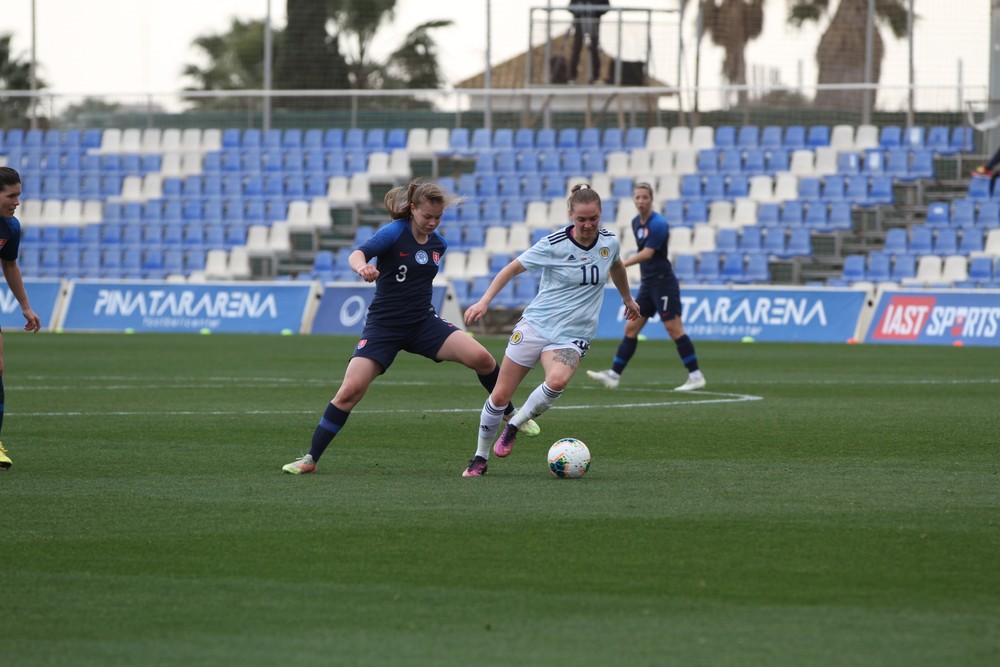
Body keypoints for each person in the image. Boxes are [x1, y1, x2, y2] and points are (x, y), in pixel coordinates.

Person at [282, 180, 539, 475]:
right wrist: (362, 267)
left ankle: (508, 412)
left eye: (438, 217)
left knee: (482, 359)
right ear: (413, 209)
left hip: (422, 323)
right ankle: (310, 458)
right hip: (384, 327)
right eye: (427, 216)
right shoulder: (394, 232)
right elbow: (357, 253)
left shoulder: (438, 245)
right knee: (349, 391)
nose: (432, 223)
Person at [461, 184, 640, 477]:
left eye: (593, 218)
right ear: (571, 215)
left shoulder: (610, 243)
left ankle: (515, 425)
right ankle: (479, 458)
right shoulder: (553, 244)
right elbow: (511, 269)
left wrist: (627, 298)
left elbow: (617, 267)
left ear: (600, 215)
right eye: (581, 219)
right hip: (536, 326)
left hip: (573, 334)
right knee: (500, 395)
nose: (587, 224)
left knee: (557, 381)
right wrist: (484, 301)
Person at [585, 181, 706, 392]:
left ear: (651, 199)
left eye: (645, 197)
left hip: (663, 283)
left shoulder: (658, 224)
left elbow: (648, 253)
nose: (641, 201)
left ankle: (696, 376)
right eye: (637, 197)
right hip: (648, 284)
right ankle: (614, 375)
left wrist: (619, 264)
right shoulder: (635, 223)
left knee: (674, 329)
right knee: (631, 328)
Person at [0, 167, 43, 470]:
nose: (17, 201)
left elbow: (10, 265)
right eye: (11, 195)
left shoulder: (10, 228)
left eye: (18, 195)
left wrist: (25, 306)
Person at [568, 0, 610, 84]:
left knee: (595, 50)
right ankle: (572, 77)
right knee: (576, 50)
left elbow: (606, 7)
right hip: (579, 23)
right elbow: (570, 7)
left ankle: (595, 77)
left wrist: (595, 10)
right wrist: (579, 10)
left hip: (594, 23)